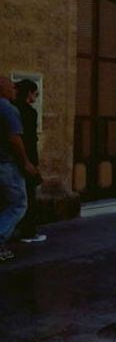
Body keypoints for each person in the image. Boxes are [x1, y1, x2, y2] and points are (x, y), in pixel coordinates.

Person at [0, 77, 37, 261]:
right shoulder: (7, 108)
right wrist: (26, 163)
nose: (14, 89)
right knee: (18, 204)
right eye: (10, 86)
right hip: (6, 164)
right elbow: (15, 139)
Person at [12, 79, 46, 242]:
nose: (36, 97)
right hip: (26, 158)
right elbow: (31, 140)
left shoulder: (12, 108)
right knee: (29, 196)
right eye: (35, 93)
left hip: (12, 159)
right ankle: (28, 231)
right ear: (29, 93)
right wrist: (32, 162)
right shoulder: (30, 112)